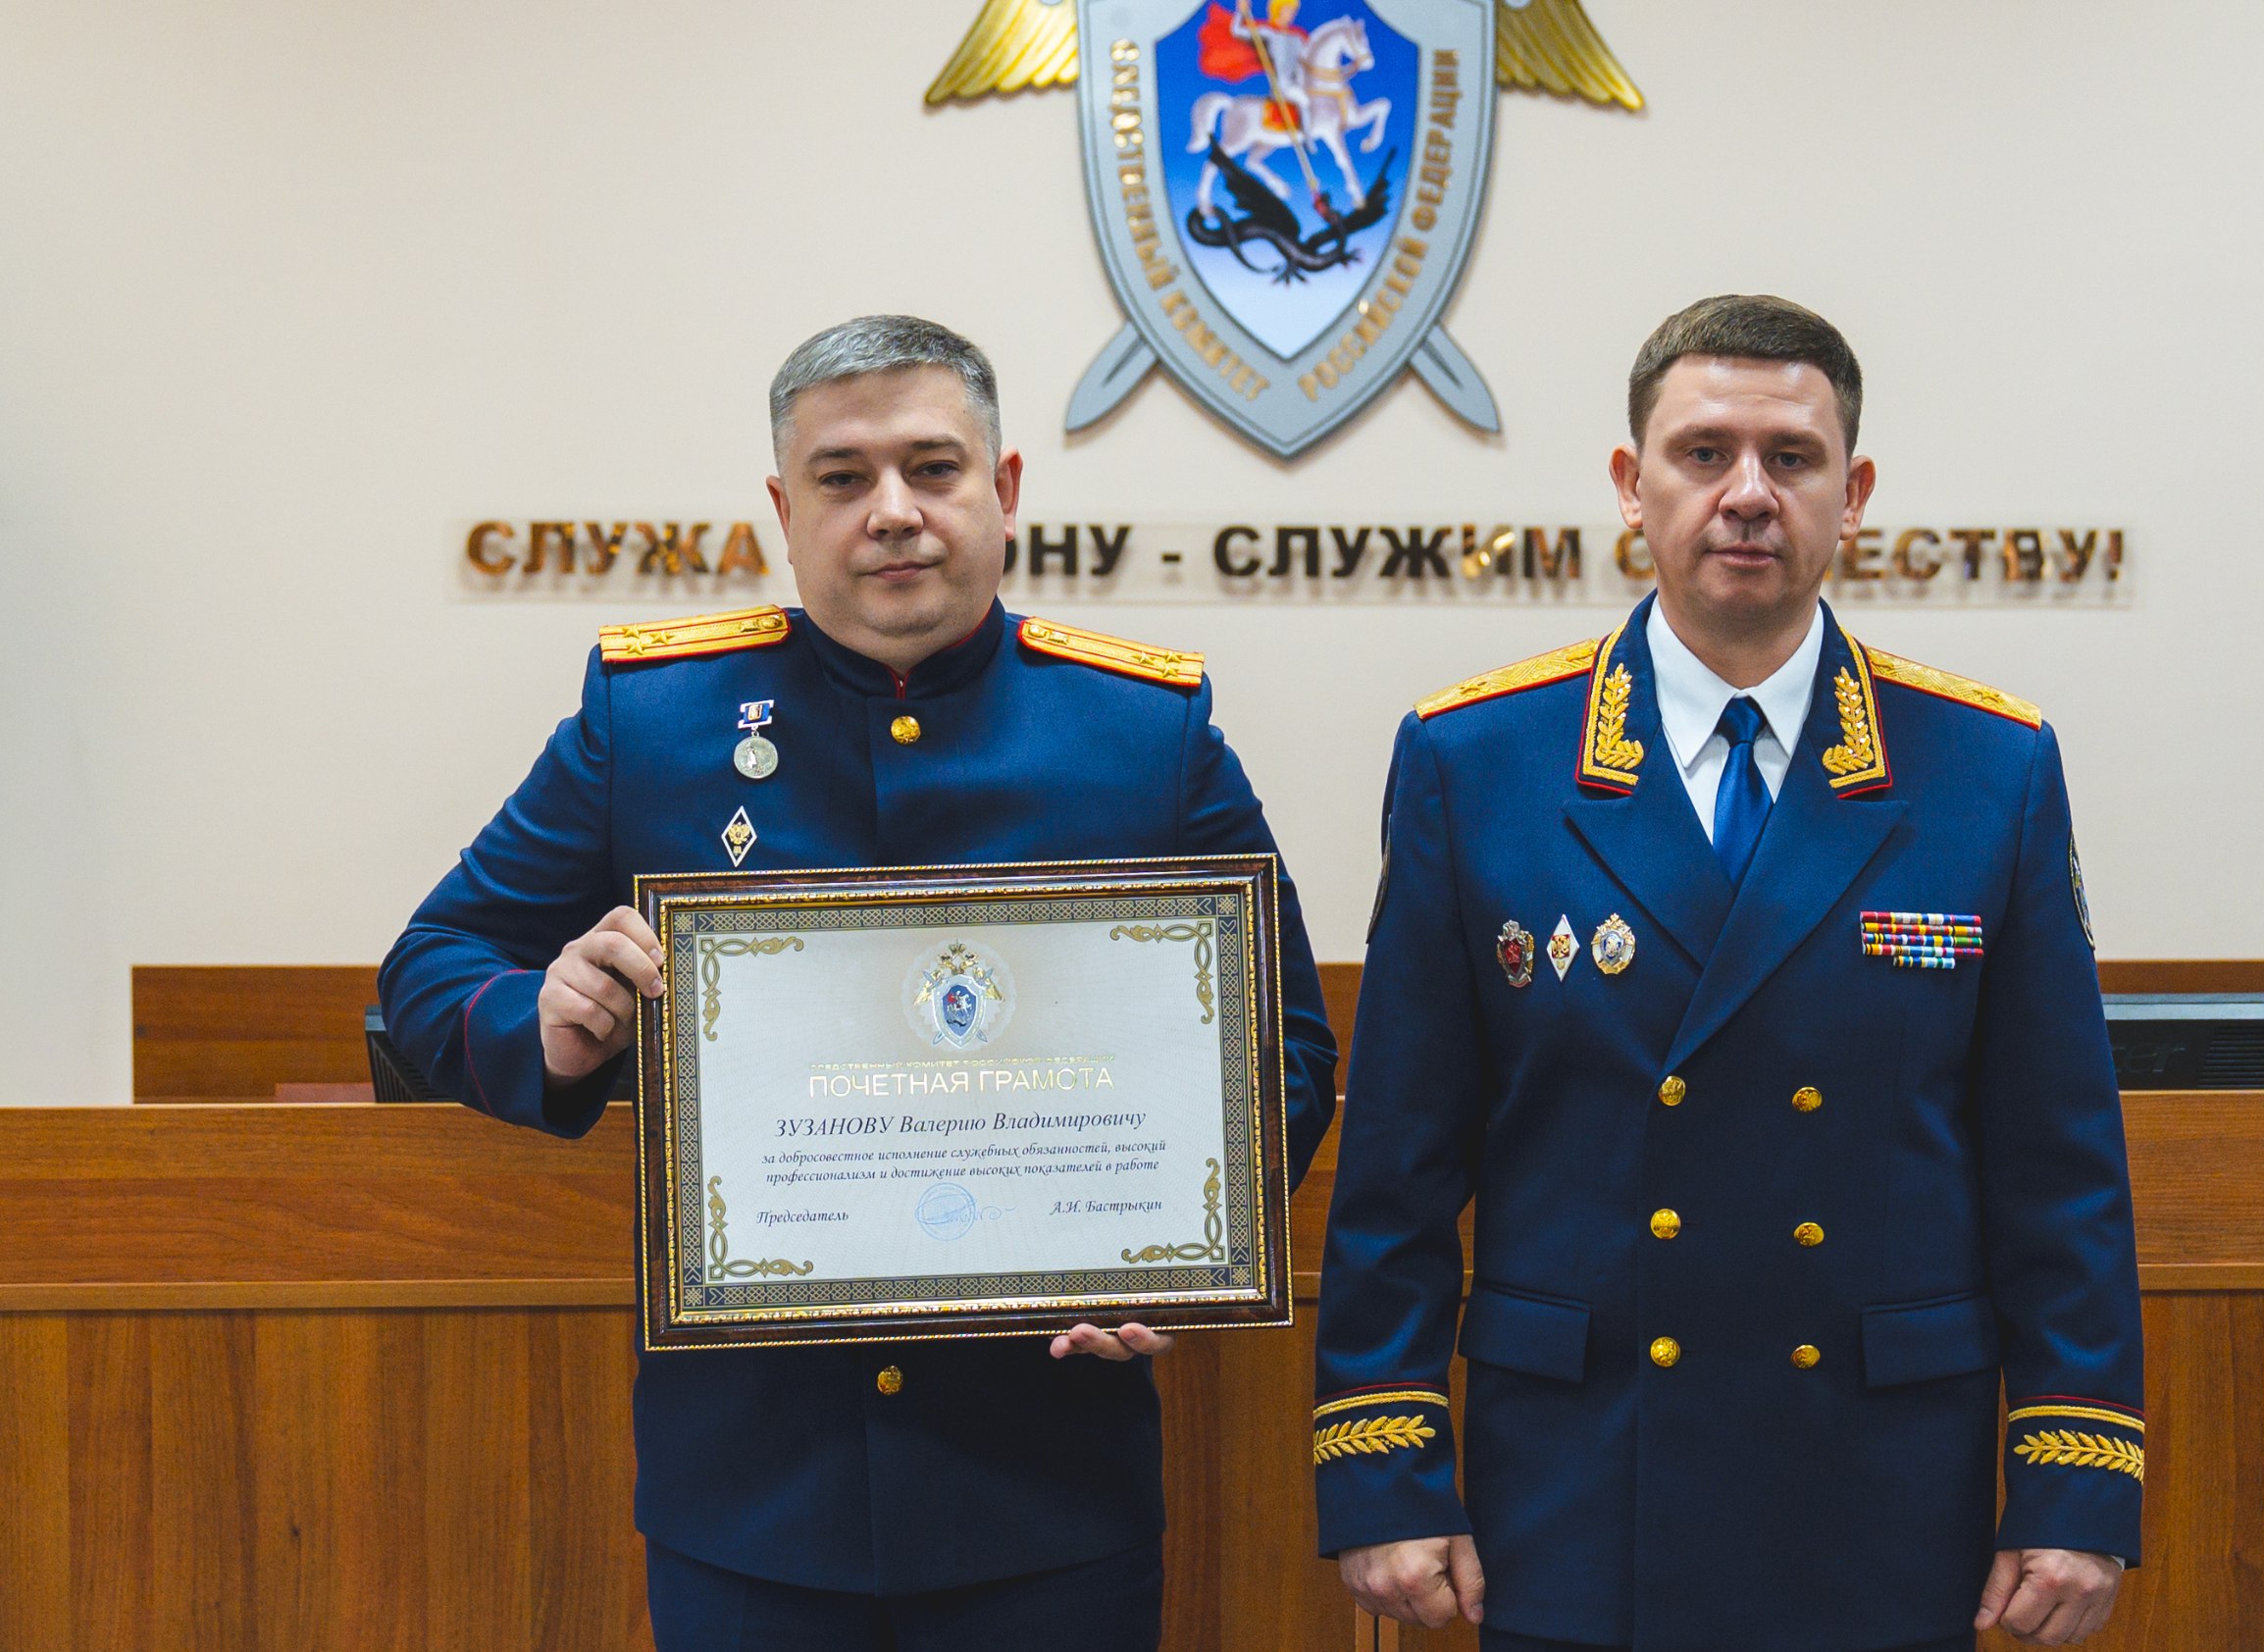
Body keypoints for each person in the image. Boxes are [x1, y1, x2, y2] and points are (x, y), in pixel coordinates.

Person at [382, 314, 1339, 1650]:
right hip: (756, 1502)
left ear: (1004, 490)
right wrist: (540, 1022)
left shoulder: (1142, 730)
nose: (893, 511)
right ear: (786, 511)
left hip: (1044, 1495)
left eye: (933, 469)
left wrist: (1183, 1251)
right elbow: (425, 974)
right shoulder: (649, 720)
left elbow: (1286, 1045)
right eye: (843, 478)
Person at [1311, 294, 2141, 1652]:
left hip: (1878, 1485)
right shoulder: (1479, 760)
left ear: (1852, 496)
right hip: (1580, 1481)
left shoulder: (1987, 767)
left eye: (1791, 458)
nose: (1748, 493)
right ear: (1630, 486)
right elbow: (1400, 1164)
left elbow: (2059, 1171)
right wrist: (1385, 1470)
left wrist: (2075, 1482)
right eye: (1704, 454)